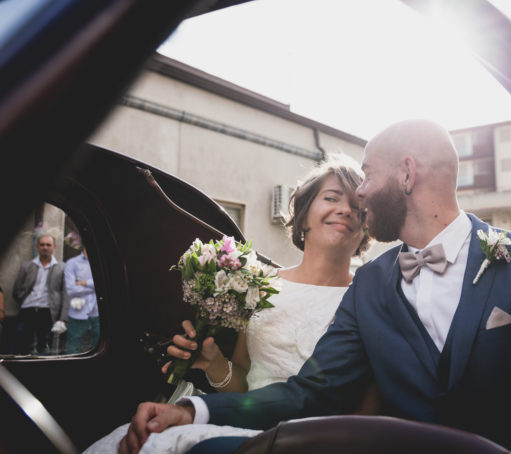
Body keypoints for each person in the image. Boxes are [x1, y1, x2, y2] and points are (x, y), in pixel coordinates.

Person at [120, 119, 511, 454]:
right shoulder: (370, 286)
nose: (360, 193)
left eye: (367, 175)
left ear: (407, 173)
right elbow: (311, 394)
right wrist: (193, 410)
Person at [84, 154, 370, 453]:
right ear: (304, 211)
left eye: (357, 207)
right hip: (240, 423)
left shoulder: (366, 297)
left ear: (366, 227)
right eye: (332, 198)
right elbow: (245, 386)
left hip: (311, 439)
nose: (345, 210)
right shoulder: (259, 285)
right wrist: (214, 363)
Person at [13, 233, 68, 355]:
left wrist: (63, 318)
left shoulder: (62, 267)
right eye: (42, 244)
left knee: (44, 347)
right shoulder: (27, 266)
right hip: (28, 309)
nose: (45, 247)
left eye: (48, 245)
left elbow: (66, 294)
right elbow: (17, 290)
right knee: (23, 345)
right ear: (37, 246)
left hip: (48, 310)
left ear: (54, 247)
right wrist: (23, 300)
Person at [64, 245, 100, 354]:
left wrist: (84, 282)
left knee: (99, 349)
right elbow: (71, 290)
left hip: (99, 313)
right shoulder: (72, 263)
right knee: (73, 349)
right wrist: (95, 288)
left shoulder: (102, 264)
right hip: (78, 313)